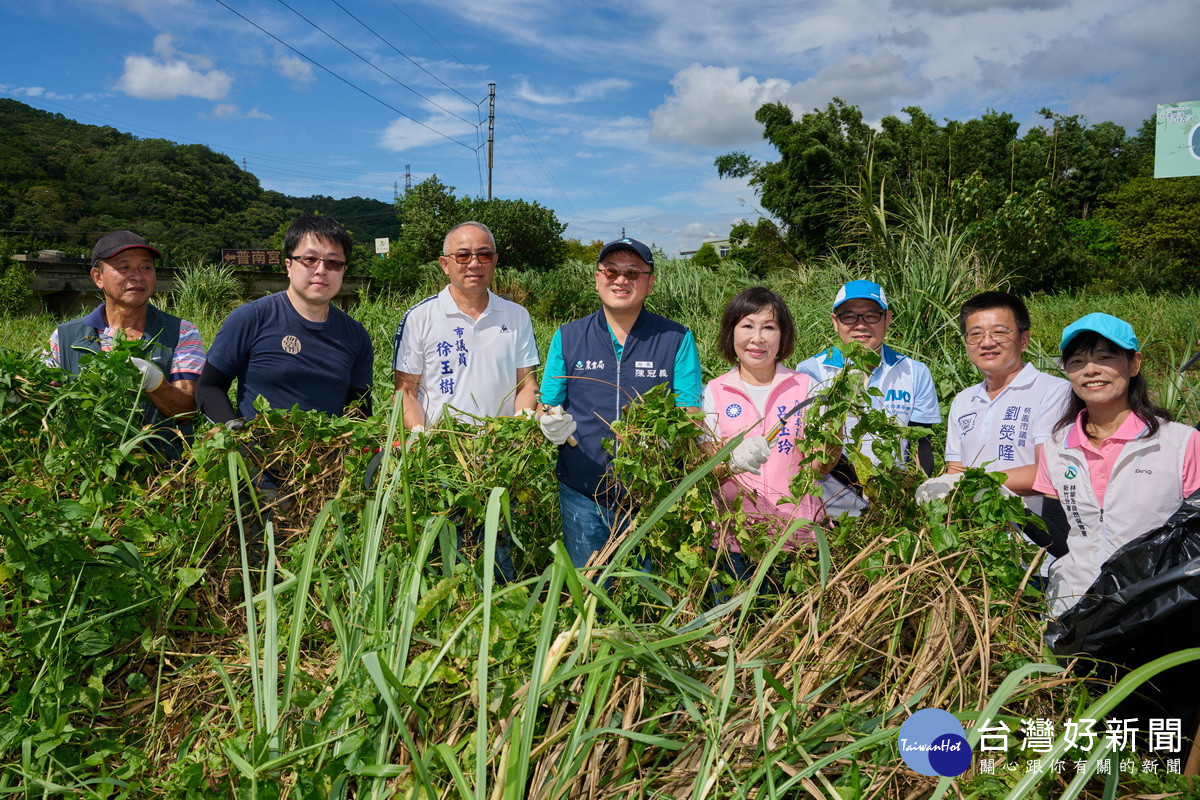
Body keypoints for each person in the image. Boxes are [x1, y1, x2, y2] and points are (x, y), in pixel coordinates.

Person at [538, 237, 702, 569]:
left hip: (652, 492)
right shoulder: (568, 336)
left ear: (650, 282)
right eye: (610, 271)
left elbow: (691, 411)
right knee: (588, 589)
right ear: (597, 279)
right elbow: (548, 403)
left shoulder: (676, 338)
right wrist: (548, 422)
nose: (621, 279)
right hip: (581, 489)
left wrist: (672, 438)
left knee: (645, 594)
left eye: (633, 272)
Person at [1033, 313, 1200, 619]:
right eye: (1077, 361)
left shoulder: (1180, 443)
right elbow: (1059, 535)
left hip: (1156, 610)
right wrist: (1006, 506)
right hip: (1073, 606)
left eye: (1105, 357)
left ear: (1134, 364)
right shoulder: (1057, 447)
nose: (1090, 370)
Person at [918, 291, 1072, 576]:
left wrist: (972, 482)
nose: (987, 342)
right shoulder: (963, 401)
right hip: (977, 549)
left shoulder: (1053, 391)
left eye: (1000, 332)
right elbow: (956, 468)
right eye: (975, 334)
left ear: (1023, 339)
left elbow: (1047, 473)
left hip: (1035, 550)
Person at [703, 287, 831, 580]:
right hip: (734, 539)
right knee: (735, 624)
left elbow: (818, 466)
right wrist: (730, 461)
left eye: (769, 327)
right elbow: (706, 466)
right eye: (747, 325)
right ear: (731, 333)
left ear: (783, 335)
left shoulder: (806, 387)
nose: (757, 338)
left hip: (798, 538)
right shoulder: (714, 391)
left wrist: (832, 441)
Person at [196, 214, 373, 425]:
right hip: (260, 453)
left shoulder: (355, 335)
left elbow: (359, 408)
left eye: (333, 263)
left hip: (329, 453)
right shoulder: (252, 318)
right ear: (289, 265)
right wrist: (236, 435)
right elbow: (209, 387)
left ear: (344, 270)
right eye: (310, 259)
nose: (321, 270)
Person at [47, 230, 206, 454]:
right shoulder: (64, 336)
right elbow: (47, 406)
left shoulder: (182, 332)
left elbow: (188, 410)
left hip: (165, 474)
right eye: (124, 267)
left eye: (146, 267)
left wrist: (153, 382)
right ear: (98, 277)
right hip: (87, 468)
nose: (138, 276)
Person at [796, 279, 940, 515]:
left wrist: (913, 488)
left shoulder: (915, 372)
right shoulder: (811, 371)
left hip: (894, 501)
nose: (860, 325)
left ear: (887, 319)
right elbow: (807, 446)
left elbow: (921, 443)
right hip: (830, 505)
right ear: (835, 322)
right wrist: (859, 487)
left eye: (871, 315)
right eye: (849, 316)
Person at [392, 221, 538, 428]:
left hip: (501, 448)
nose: (474, 264)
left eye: (484, 255)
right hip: (440, 450)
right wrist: (420, 438)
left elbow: (526, 385)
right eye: (463, 255)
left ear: (495, 261)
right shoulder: (419, 317)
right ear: (444, 264)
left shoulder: (517, 315)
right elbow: (405, 391)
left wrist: (519, 428)